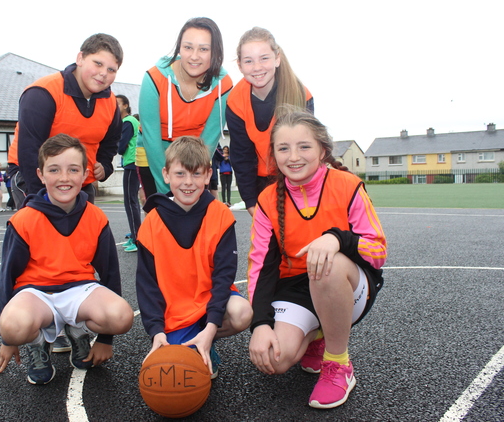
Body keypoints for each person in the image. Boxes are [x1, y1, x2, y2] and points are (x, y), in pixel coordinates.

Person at [247, 106, 386, 409]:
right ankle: (317, 335)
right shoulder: (268, 200)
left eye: (304, 146)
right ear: (274, 153)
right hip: (296, 287)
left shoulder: (347, 186)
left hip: (346, 283)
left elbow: (377, 253)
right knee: (274, 359)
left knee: (326, 264)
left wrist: (337, 239)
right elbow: (261, 267)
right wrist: (260, 324)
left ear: (323, 150)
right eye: (283, 148)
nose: (293, 156)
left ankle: (338, 363)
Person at [0, 134, 134, 385]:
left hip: (79, 290)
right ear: (41, 174)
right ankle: (37, 344)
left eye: (73, 170)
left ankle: (77, 330)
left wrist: (105, 339)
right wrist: (7, 339)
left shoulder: (95, 217)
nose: (64, 178)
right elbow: (7, 277)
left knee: (121, 316)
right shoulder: (24, 219)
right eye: (54, 170)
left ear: (85, 174)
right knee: (13, 326)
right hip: (36, 294)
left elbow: (110, 274)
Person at [136, 136, 252, 379]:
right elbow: (147, 284)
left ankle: (206, 338)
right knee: (173, 373)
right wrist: (156, 331)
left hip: (209, 299)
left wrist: (211, 327)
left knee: (242, 312)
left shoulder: (220, 214)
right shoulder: (151, 223)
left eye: (196, 174)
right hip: (174, 309)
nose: (188, 182)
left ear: (208, 175)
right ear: (166, 175)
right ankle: (190, 339)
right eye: (180, 174)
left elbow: (224, 275)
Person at [7, 33, 123, 208]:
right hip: (34, 176)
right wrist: (41, 200)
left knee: (82, 232)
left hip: (79, 179)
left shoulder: (111, 103)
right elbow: (29, 151)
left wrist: (105, 165)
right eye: (98, 63)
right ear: (81, 58)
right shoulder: (42, 93)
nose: (103, 73)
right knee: (43, 231)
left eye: (111, 69)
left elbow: (111, 141)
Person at [137, 17, 233, 197]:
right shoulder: (154, 78)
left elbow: (209, 141)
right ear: (179, 47)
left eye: (203, 49)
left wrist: (194, 177)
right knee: (160, 215)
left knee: (193, 219)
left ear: (215, 52)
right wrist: (167, 189)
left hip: (195, 153)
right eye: (188, 47)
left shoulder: (224, 84)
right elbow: (151, 138)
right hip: (154, 152)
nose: (194, 56)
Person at [226, 27, 314, 215]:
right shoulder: (235, 102)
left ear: (277, 58)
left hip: (296, 177)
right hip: (260, 183)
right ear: (240, 65)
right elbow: (242, 157)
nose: (257, 67)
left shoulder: (301, 95)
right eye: (248, 61)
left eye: (264, 58)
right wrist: (250, 202)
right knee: (268, 241)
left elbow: (307, 150)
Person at [116, 94, 141, 253]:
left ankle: (137, 238)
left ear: (125, 105)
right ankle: (135, 234)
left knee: (130, 201)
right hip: (135, 162)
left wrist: (118, 147)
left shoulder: (127, 122)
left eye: (117, 104)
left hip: (132, 163)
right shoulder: (133, 121)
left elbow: (121, 146)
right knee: (132, 201)